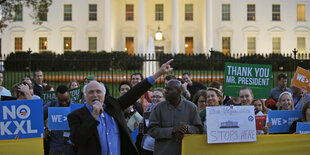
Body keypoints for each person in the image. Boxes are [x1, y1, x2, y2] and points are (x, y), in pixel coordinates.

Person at [67, 59, 173, 155]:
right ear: (85, 96)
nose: (95, 95)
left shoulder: (113, 106)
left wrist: (159, 73)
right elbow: (78, 140)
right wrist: (93, 116)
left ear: (104, 95)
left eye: (98, 92)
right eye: (91, 92)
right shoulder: (76, 115)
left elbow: (135, 92)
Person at [148, 80, 202, 155]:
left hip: (185, 151)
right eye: (166, 89)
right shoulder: (158, 108)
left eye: (170, 89)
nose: (166, 92)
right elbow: (152, 130)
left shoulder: (191, 107)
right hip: (163, 152)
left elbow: (198, 129)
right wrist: (172, 131)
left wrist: (186, 129)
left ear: (179, 91)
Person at [43, 85, 76, 155]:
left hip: (71, 149)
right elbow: (38, 117)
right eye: (61, 100)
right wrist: (44, 129)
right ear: (56, 96)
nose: (64, 103)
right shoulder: (51, 105)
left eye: (66, 100)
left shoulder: (76, 108)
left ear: (69, 95)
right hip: (55, 148)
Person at [140, 88, 165, 155]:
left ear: (165, 98)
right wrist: (142, 125)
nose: (155, 99)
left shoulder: (168, 111)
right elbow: (146, 130)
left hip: (161, 148)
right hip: (147, 147)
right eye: (153, 96)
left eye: (158, 96)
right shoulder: (148, 109)